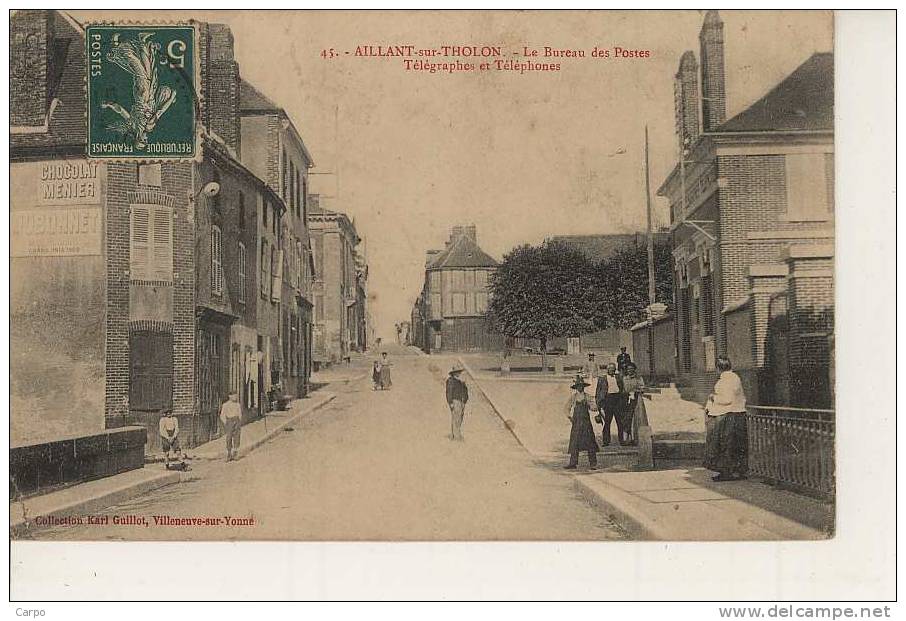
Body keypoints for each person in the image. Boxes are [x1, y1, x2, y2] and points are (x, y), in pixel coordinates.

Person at [703, 356, 748, 481]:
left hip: (729, 415)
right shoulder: (733, 378)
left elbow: (727, 399)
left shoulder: (727, 380)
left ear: (718, 368)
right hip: (735, 414)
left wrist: (713, 398)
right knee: (735, 445)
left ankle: (727, 472)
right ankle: (738, 471)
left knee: (726, 444)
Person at [565, 375, 599, 469]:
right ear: (576, 387)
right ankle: (573, 463)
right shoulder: (573, 397)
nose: (580, 388)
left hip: (586, 423)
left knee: (590, 442)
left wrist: (594, 406)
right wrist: (569, 416)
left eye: (581, 386)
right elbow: (567, 407)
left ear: (583, 387)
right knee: (574, 442)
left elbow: (594, 407)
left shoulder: (587, 396)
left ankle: (593, 464)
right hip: (576, 423)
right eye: (578, 386)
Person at [595, 363, 626, 446]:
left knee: (620, 422)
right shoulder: (602, 379)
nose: (612, 370)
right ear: (607, 370)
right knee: (607, 421)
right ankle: (606, 441)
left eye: (613, 369)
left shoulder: (619, 377)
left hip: (617, 399)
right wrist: (599, 403)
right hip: (608, 400)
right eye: (610, 369)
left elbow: (622, 388)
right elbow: (598, 392)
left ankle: (621, 440)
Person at [622, 363, 646, 445]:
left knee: (636, 418)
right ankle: (625, 439)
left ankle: (634, 438)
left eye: (631, 369)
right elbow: (623, 389)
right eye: (628, 369)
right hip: (626, 400)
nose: (630, 371)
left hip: (636, 400)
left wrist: (637, 391)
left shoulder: (639, 378)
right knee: (626, 418)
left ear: (634, 370)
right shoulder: (624, 379)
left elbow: (642, 388)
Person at [446, 364, 469, 441]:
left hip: (462, 401)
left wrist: (465, 399)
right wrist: (450, 402)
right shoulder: (451, 381)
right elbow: (449, 392)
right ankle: (456, 436)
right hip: (455, 400)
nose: (459, 373)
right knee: (456, 418)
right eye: (457, 372)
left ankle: (455, 434)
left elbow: (465, 390)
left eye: (459, 372)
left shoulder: (461, 381)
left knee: (460, 417)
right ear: (454, 373)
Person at [219, 392, 243, 462]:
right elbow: (222, 415)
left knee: (237, 437)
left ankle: (235, 454)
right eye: (234, 396)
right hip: (229, 421)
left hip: (237, 421)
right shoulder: (225, 405)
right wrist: (226, 423)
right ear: (230, 396)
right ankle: (229, 454)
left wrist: (239, 421)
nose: (235, 397)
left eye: (236, 396)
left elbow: (240, 414)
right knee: (228, 438)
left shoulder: (238, 405)